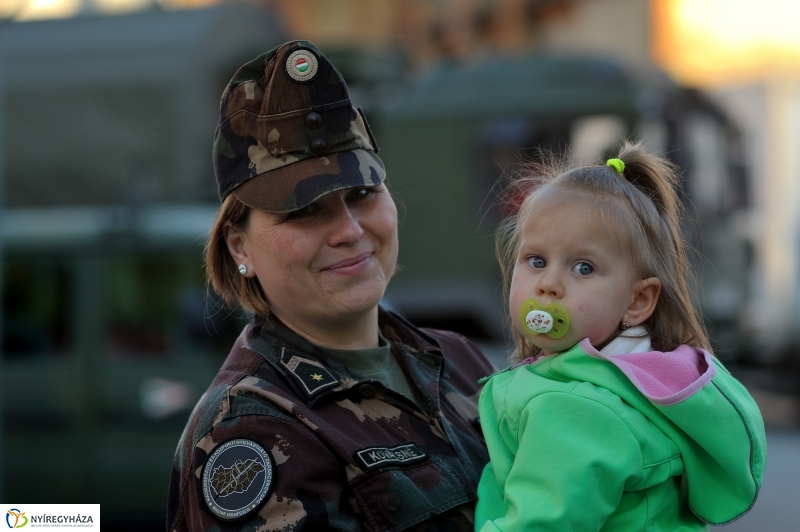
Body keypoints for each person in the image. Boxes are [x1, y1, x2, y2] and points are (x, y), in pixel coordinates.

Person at [166, 40, 495, 531]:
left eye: (362, 194)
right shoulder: (251, 429)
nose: (349, 230)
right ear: (240, 248)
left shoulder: (457, 360)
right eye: (303, 211)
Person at [474, 144, 767, 531]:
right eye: (536, 260)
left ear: (637, 301)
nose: (548, 284)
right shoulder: (623, 382)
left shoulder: (574, 408)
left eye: (583, 267)